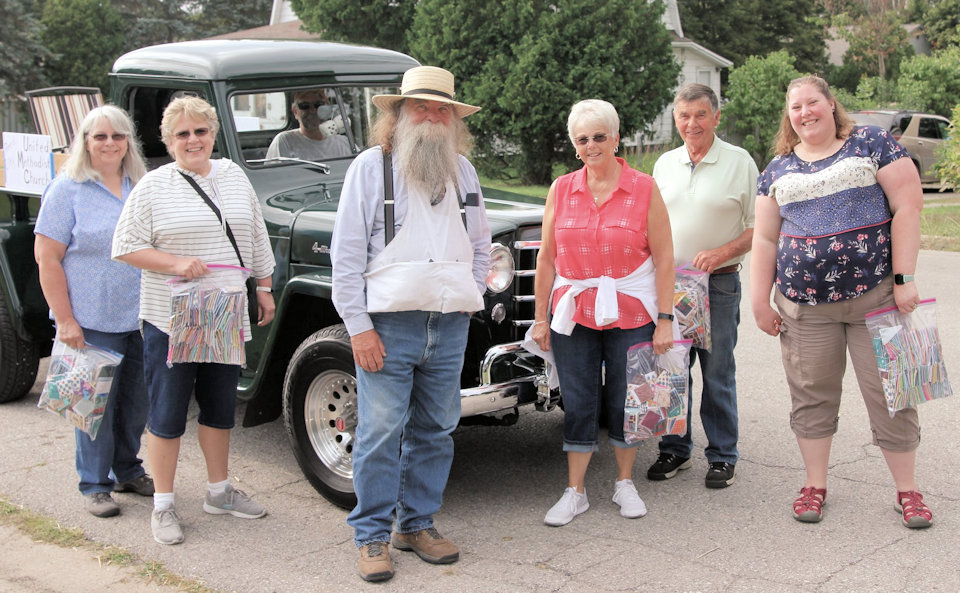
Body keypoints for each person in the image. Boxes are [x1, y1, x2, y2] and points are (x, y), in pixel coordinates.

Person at [330, 65, 490, 582]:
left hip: (448, 326)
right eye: (421, 106)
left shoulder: (462, 171)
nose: (433, 115)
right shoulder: (371, 169)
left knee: (437, 429)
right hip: (388, 326)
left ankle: (416, 524)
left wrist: (474, 293)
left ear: (453, 119)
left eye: (442, 108)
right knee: (379, 431)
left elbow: (482, 245)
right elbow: (347, 255)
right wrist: (358, 326)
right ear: (399, 113)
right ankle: (372, 536)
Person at [751, 76, 931, 528]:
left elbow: (908, 205)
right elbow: (766, 238)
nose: (805, 111)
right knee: (811, 396)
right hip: (803, 308)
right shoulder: (775, 169)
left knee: (894, 392)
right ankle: (814, 486)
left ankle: (908, 492)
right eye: (796, 106)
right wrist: (759, 300)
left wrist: (905, 278)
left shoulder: (871, 143)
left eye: (813, 101)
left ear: (831, 105)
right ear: (788, 116)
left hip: (879, 296)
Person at [112, 96, 277, 545]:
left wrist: (264, 287)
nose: (192, 140)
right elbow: (125, 246)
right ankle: (164, 504)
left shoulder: (234, 176)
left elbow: (256, 234)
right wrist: (174, 262)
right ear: (167, 141)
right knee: (166, 414)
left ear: (213, 135)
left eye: (200, 131)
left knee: (220, 409)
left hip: (223, 312)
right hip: (172, 318)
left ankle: (219, 492)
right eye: (182, 134)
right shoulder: (154, 185)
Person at [531, 99, 675, 527]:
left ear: (615, 137)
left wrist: (665, 318)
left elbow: (665, 257)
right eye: (583, 139)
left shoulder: (644, 187)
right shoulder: (561, 188)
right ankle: (574, 492)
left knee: (626, 399)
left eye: (598, 136)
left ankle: (624, 482)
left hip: (632, 310)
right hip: (574, 314)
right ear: (575, 146)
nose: (591, 145)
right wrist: (541, 317)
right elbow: (545, 259)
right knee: (578, 401)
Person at [34, 105, 154, 518]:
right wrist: (65, 320)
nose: (109, 143)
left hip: (141, 315)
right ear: (85, 141)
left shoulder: (141, 184)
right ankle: (95, 484)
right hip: (90, 319)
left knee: (136, 403)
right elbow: (47, 259)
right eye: (99, 136)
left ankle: (127, 469)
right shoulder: (66, 188)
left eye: (117, 136)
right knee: (92, 406)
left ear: (128, 142)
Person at [650, 83, 758, 489]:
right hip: (671, 285)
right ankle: (674, 449)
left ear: (715, 117)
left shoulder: (740, 161)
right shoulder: (665, 164)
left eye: (700, 114)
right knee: (671, 368)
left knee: (717, 373)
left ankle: (722, 456)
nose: (691, 123)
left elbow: (759, 226)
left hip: (718, 284)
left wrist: (722, 251)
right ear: (675, 119)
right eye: (683, 115)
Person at [265, 89, 351, 160]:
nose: (312, 111)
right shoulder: (284, 142)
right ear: (295, 112)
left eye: (318, 105)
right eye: (304, 106)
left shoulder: (345, 143)